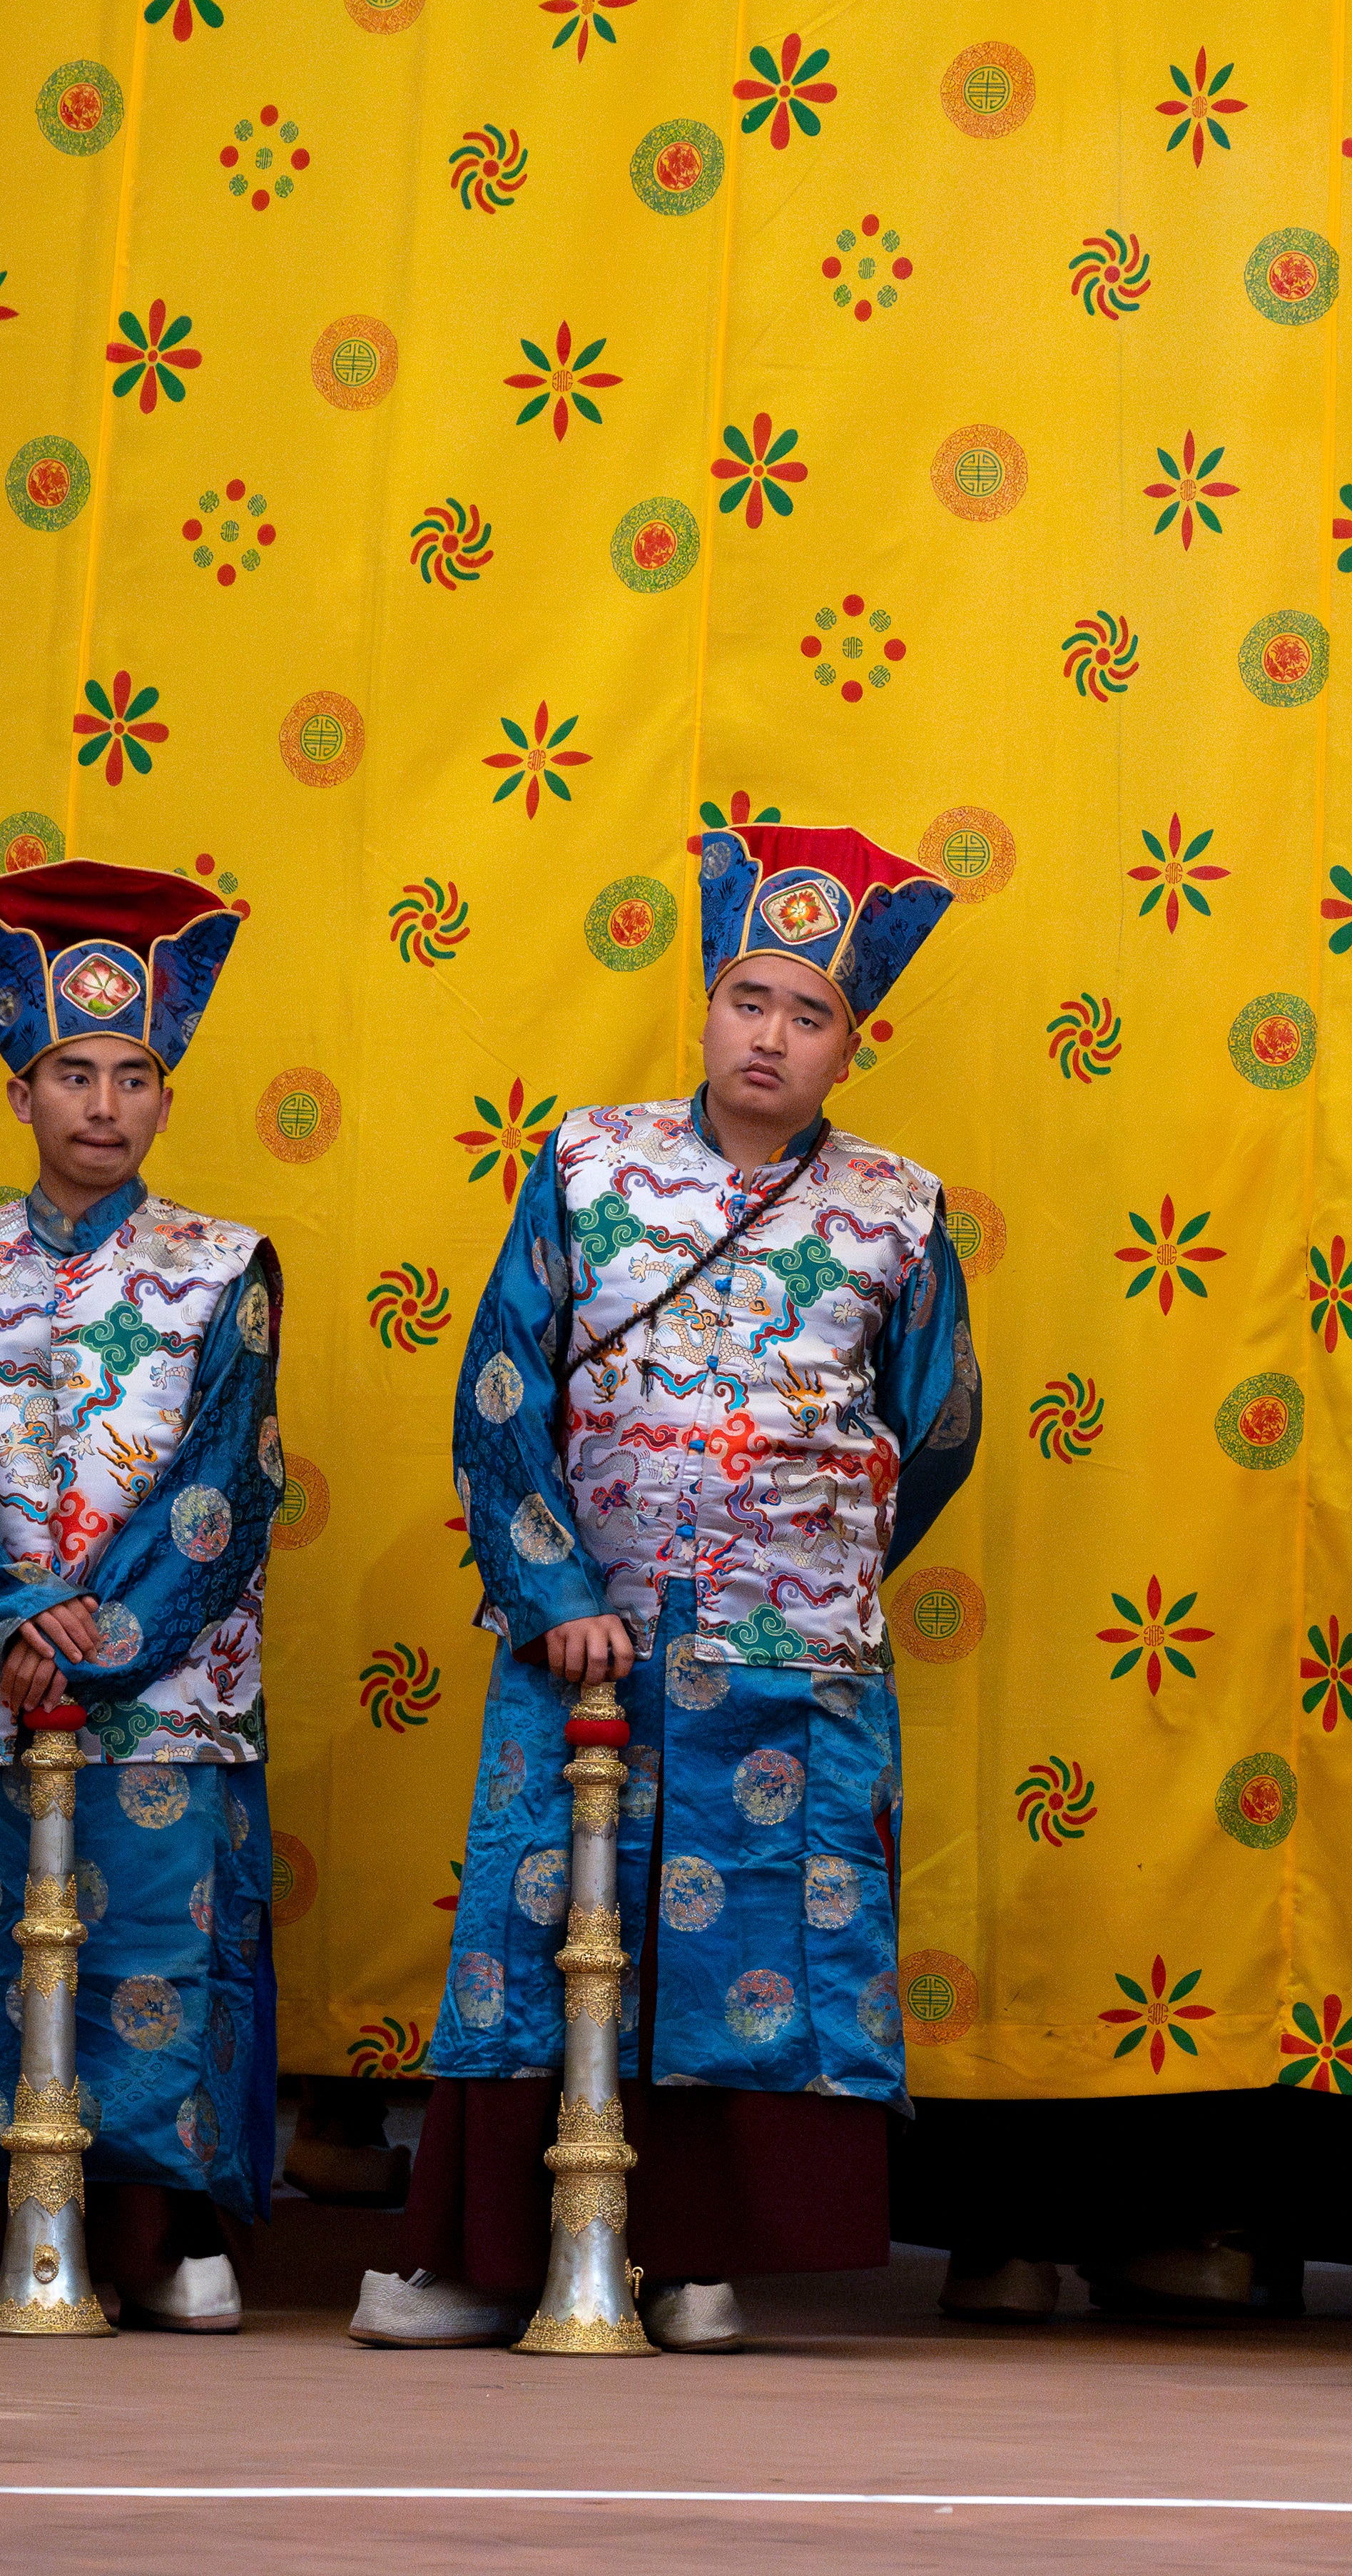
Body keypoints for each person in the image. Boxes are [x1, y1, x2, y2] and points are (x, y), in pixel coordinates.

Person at [355, 823, 977, 2352]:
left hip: (795, 1662)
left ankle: (703, 2258)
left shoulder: (901, 1208)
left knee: (756, 1939)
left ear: (851, 1044)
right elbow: (502, 1387)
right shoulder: (586, 1162)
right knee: (548, 1924)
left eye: (809, 1012)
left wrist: (815, 1555)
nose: (770, 1034)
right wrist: (556, 1583)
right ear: (706, 1003)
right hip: (590, 1643)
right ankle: (501, 2255)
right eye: (748, 998)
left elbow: (941, 1422)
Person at [0, 864, 285, 2330]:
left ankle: (158, 2237)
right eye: (73, 1073)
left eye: (134, 1074)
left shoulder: (227, 1269)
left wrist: (99, 1637)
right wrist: (13, 1618)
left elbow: (224, 1486)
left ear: (165, 1094)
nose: (104, 1103)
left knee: (153, 1948)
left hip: (158, 1693)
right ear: (21, 1089)